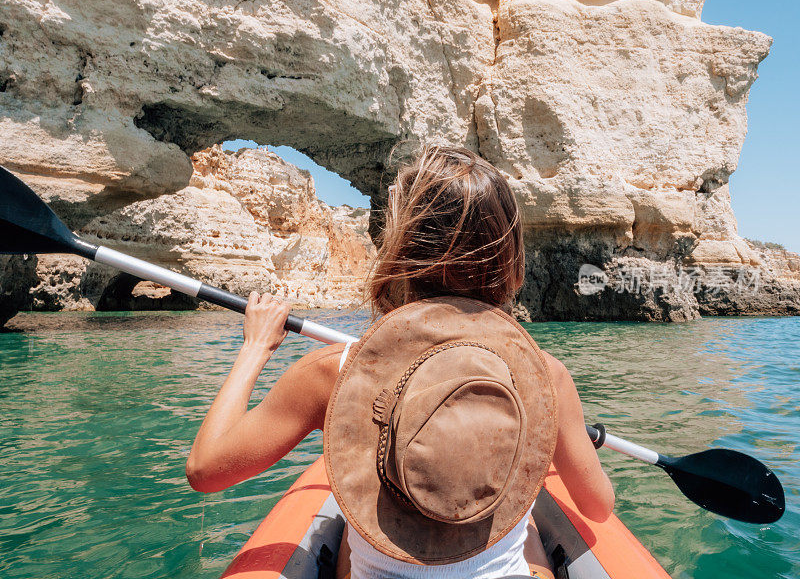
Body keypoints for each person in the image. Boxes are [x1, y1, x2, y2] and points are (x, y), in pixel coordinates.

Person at [186, 146, 615, 579]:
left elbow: (207, 470)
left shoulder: (333, 374)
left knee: (349, 556)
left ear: (400, 249)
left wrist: (255, 348)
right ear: (512, 263)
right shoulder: (546, 377)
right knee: (533, 540)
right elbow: (598, 507)